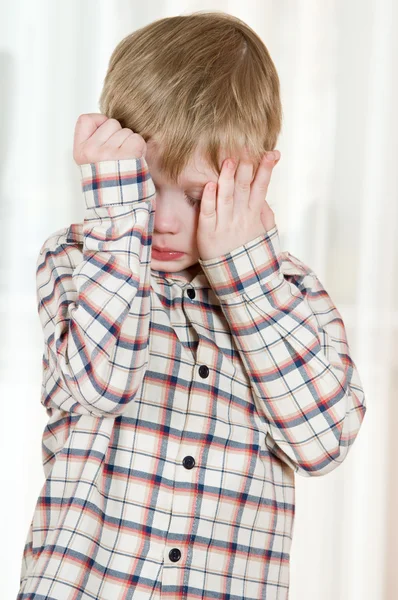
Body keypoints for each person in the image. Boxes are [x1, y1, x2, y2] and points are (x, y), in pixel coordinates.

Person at [17, 11, 367, 600]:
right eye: (145, 185)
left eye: (200, 195)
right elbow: (102, 384)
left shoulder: (292, 292)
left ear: (257, 178)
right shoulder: (78, 259)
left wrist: (244, 274)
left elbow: (324, 441)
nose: (167, 219)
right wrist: (117, 215)